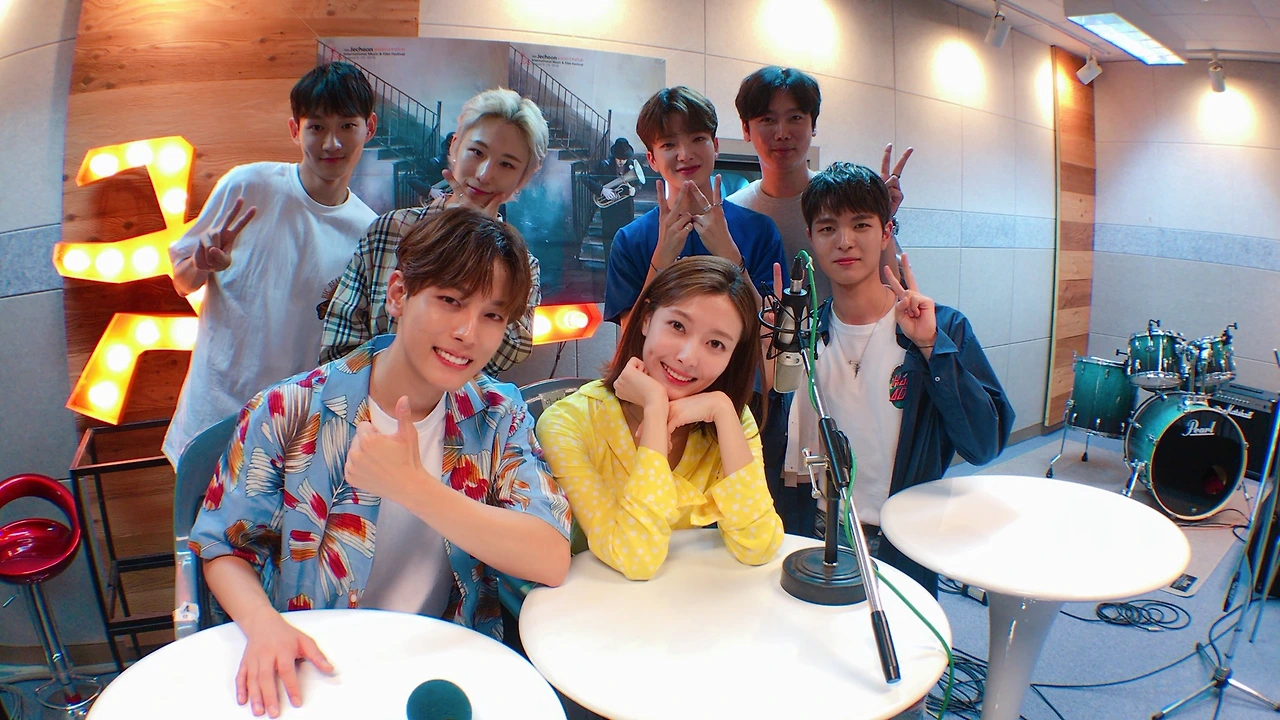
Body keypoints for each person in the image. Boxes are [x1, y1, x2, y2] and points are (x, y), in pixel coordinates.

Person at [188, 208, 572, 718]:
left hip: (444, 661)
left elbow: (550, 556)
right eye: (450, 301)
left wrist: (413, 486)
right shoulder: (289, 408)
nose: (468, 332)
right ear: (398, 294)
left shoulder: (499, 414)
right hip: (315, 663)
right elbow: (223, 546)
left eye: (492, 316)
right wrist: (263, 625)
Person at [784, 162, 1014, 596]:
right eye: (828, 228)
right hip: (819, 533)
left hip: (904, 540)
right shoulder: (806, 335)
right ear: (811, 239)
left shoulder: (940, 327)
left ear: (886, 232)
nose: (845, 241)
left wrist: (931, 347)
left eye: (861, 225)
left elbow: (984, 445)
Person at [162, 62, 380, 465]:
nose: (332, 143)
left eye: (347, 126)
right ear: (295, 130)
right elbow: (182, 281)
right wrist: (202, 265)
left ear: (369, 127)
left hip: (289, 433)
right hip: (212, 417)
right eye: (317, 127)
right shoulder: (247, 186)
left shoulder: (368, 232)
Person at [538, 257, 784, 581]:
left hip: (679, 600)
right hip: (591, 600)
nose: (687, 357)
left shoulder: (727, 417)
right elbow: (635, 559)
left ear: (732, 356)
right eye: (678, 326)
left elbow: (759, 545)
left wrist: (725, 411)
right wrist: (655, 409)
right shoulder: (567, 423)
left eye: (716, 344)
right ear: (646, 319)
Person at [319, 88, 549, 372]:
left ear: (524, 177)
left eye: (506, 164)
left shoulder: (522, 265)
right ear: (455, 147)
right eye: (477, 152)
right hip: (365, 396)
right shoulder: (389, 230)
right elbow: (339, 346)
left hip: (458, 400)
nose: (484, 174)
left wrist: (472, 240)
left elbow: (506, 354)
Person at [603, 85, 786, 328]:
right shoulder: (630, 240)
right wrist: (661, 259)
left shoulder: (760, 230)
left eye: (698, 139)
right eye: (669, 145)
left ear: (716, 146)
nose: (685, 154)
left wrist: (731, 256)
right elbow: (630, 337)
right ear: (652, 159)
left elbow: (771, 332)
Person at [729, 66, 913, 300]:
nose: (782, 133)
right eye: (767, 119)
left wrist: (881, 212)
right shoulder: (734, 212)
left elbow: (892, 292)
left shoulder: (843, 197)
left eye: (795, 118)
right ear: (746, 129)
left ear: (813, 125)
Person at [586, 137, 641, 258]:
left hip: (626, 211)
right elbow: (586, 178)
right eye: (619, 159)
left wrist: (634, 190)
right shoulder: (604, 165)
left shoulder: (632, 165)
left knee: (626, 245)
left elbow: (639, 183)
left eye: (624, 159)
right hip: (610, 213)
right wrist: (602, 190)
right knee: (609, 246)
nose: (621, 162)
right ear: (614, 156)